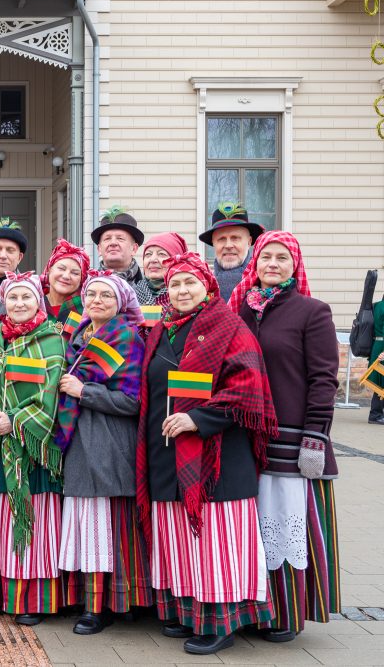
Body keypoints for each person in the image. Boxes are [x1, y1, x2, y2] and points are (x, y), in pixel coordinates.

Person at [138, 252, 277, 656]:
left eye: (189, 283)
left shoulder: (229, 326)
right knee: (180, 537)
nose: (181, 291)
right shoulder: (162, 329)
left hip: (216, 456)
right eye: (175, 284)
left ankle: (221, 622)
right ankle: (190, 613)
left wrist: (199, 419)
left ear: (208, 286)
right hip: (166, 449)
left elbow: (248, 388)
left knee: (215, 540)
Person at [229, 231, 341, 641]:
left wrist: (315, 436)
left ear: (295, 265)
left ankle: (288, 613)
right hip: (245, 436)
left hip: (293, 439)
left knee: (287, 522)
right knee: (252, 524)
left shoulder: (312, 311)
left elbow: (324, 379)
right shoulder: (240, 309)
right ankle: (252, 608)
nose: (272, 264)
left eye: (281, 258)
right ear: (253, 264)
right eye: (265, 258)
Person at [0, 271, 67, 626]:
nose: (19, 304)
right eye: (13, 298)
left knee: (29, 521)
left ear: (39, 301)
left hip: (29, 451)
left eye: (27, 298)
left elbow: (50, 396)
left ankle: (31, 599)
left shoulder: (52, 340)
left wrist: (14, 420)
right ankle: (0, 594)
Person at [55, 272, 151, 635]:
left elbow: (133, 401)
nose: (96, 300)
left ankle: (105, 606)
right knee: (86, 525)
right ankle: (90, 600)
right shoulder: (80, 336)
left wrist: (84, 392)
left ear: (122, 302)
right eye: (91, 294)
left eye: (105, 296)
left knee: (105, 527)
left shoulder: (126, 337)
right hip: (80, 440)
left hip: (108, 442)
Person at [199, 202, 263, 301]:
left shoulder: (265, 281)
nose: (228, 245)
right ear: (213, 243)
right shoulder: (201, 285)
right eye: (221, 239)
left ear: (249, 242)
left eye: (235, 238)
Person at [92, 206, 150, 304]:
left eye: (120, 238)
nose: (113, 243)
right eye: (107, 239)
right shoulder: (85, 288)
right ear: (99, 249)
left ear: (134, 248)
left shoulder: (149, 290)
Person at [41, 239, 90, 335]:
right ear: (49, 270)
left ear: (82, 279)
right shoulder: (34, 303)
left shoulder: (87, 309)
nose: (66, 276)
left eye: (75, 273)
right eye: (61, 268)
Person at [139, 232, 187, 307]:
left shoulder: (188, 295)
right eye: (148, 254)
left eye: (161, 254)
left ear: (177, 261)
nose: (153, 260)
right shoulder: (131, 295)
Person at [370, 291, 384, 425]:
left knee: (379, 382)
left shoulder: (377, 306)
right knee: (382, 382)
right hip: (382, 346)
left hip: (377, 345)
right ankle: (376, 414)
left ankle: (377, 413)